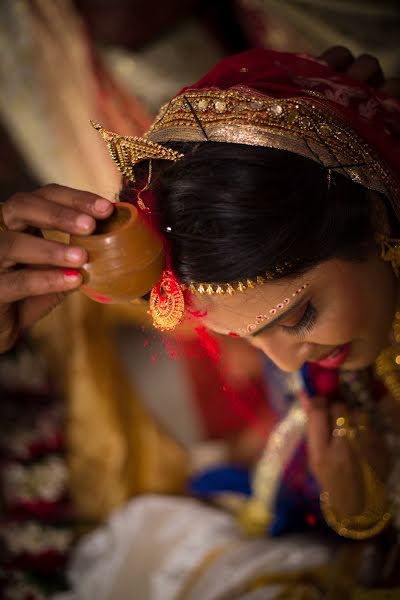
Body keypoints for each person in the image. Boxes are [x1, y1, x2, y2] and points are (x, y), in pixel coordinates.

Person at [1, 46, 400, 597]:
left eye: (299, 315)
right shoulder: (338, 367)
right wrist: (359, 503)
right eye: (243, 337)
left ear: (375, 214)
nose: (284, 362)